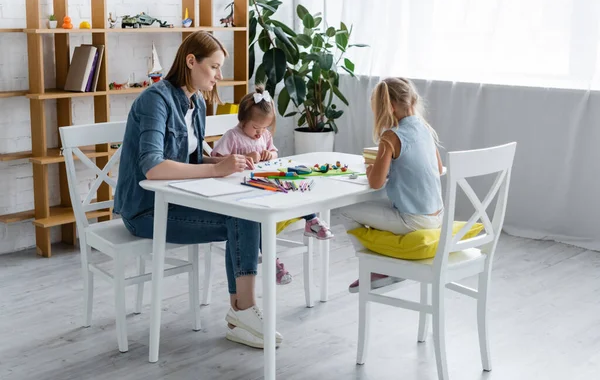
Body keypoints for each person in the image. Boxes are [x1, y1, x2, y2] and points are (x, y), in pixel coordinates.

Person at [113, 30, 281, 349]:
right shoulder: (155, 100)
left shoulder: (197, 103)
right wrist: (216, 168)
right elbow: (153, 166)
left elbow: (189, 157)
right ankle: (242, 312)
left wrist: (227, 160)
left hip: (176, 202)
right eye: (214, 67)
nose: (219, 76)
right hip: (146, 210)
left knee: (245, 211)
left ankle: (241, 312)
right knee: (241, 218)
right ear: (191, 62)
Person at [210, 85, 335, 285]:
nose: (260, 134)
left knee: (294, 186)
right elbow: (216, 158)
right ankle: (272, 262)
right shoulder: (232, 136)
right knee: (256, 221)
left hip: (265, 184)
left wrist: (271, 154)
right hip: (241, 191)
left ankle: (310, 219)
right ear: (242, 120)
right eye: (255, 128)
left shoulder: (265, 137)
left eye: (264, 128)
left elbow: (274, 152)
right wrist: (241, 158)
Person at [340, 77, 444, 293]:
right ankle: (385, 261)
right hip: (437, 216)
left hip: (414, 220)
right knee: (385, 202)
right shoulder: (424, 128)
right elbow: (439, 167)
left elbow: (376, 183)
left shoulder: (391, 136)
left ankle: (375, 268)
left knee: (347, 212)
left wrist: (371, 169)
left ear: (388, 107)